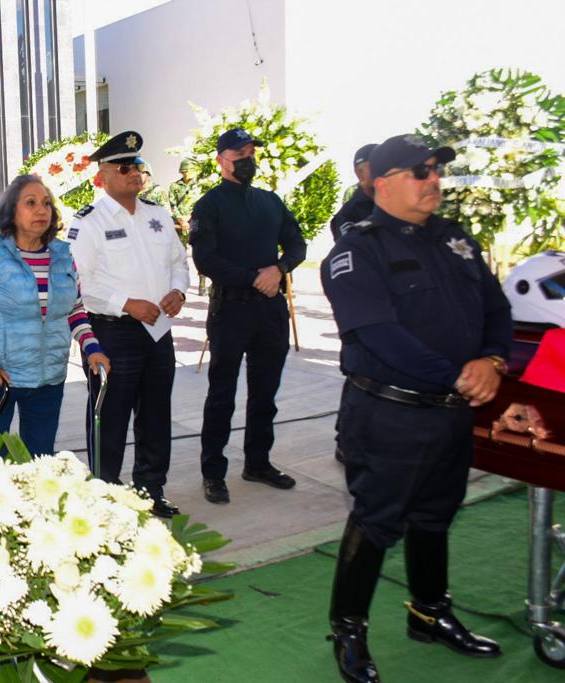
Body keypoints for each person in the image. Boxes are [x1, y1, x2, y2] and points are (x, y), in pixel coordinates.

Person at [321, 134, 511, 683]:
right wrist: (460, 373)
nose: (433, 181)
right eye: (418, 172)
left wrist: (493, 361)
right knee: (377, 520)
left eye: (435, 171)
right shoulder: (358, 248)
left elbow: (496, 308)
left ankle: (430, 614)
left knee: (435, 514)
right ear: (381, 183)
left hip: (452, 412)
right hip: (389, 413)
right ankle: (349, 630)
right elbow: (378, 333)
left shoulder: (457, 241)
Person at [68, 131, 190, 518]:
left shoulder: (157, 214)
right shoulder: (89, 221)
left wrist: (178, 291)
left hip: (158, 331)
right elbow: (79, 282)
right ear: (102, 176)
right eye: (124, 167)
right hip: (113, 332)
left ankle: (151, 489)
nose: (134, 173)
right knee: (110, 416)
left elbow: (178, 262)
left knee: (156, 414)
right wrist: (127, 304)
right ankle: (104, 496)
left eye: (137, 165)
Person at [0, 175, 110, 455]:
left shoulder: (62, 255)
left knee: (40, 464)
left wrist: (92, 348)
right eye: (31, 203)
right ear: (11, 211)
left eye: (47, 204)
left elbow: (73, 309)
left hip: (49, 378)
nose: (41, 210)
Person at [189, 128, 306, 506]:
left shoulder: (270, 201)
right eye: (239, 154)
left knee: (265, 393)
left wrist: (281, 267)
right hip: (231, 309)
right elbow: (205, 259)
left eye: (251, 153)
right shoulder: (208, 206)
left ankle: (258, 462)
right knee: (221, 395)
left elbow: (297, 244)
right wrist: (256, 278)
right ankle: (213, 472)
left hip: (269, 311)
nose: (247, 160)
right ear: (221, 159)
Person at [330, 143, 377, 465]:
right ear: (361, 172)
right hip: (366, 313)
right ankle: (347, 439)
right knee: (361, 377)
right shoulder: (350, 216)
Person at [330, 143, 378, 242]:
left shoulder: (400, 202)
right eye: (377, 164)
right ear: (359, 173)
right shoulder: (348, 214)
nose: (384, 169)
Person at [168, 157, 200, 245]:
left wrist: (189, 216)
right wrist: (181, 220)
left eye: (187, 171)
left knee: (198, 247)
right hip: (179, 222)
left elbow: (202, 205)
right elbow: (173, 205)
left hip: (195, 221)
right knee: (180, 249)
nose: (185, 173)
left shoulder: (199, 185)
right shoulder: (174, 186)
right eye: (184, 171)